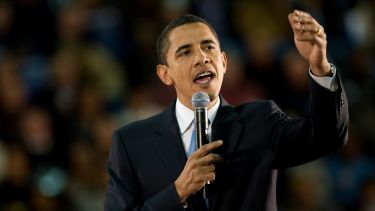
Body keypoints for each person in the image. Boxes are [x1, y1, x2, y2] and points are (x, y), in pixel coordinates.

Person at [104, 10, 349, 211]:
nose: (202, 58)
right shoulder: (131, 142)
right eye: (186, 52)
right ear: (164, 74)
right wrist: (178, 191)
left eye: (208, 47)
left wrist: (319, 65)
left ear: (224, 62)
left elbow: (327, 136)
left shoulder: (260, 120)